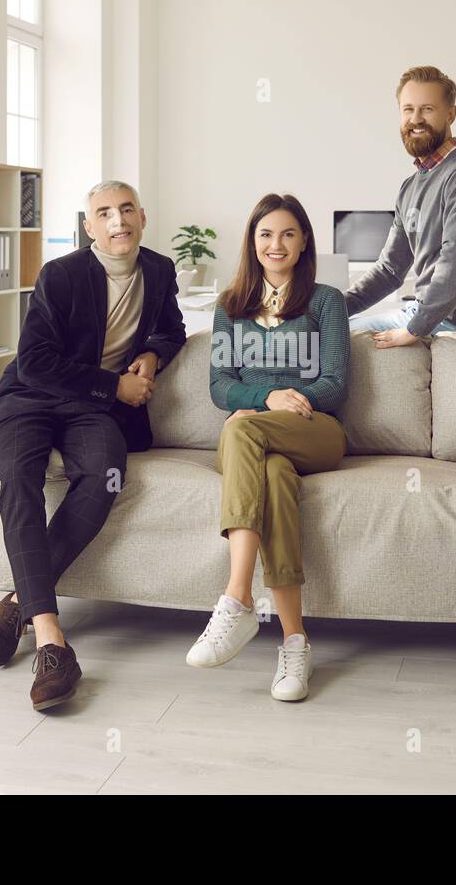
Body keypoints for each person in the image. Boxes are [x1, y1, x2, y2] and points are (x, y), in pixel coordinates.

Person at [0, 180, 187, 710]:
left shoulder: (159, 269)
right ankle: (52, 641)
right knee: (20, 480)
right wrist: (114, 384)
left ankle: (18, 603)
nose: (117, 221)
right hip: (30, 397)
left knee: (104, 475)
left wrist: (153, 357)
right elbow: (35, 361)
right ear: (89, 226)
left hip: (90, 411)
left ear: (143, 215)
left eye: (126, 210)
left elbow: (173, 327)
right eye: (104, 213)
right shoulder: (62, 274)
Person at [187, 193, 350, 702]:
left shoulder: (325, 301)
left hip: (316, 431)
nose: (275, 244)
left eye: (286, 234)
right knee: (275, 477)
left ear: (303, 243)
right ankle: (295, 643)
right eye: (265, 234)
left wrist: (280, 404)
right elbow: (220, 386)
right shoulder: (230, 305)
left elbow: (335, 384)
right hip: (260, 443)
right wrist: (265, 396)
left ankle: (236, 599)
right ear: (252, 242)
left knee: (239, 429)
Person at [345, 64, 456, 348]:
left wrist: (414, 329)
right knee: (326, 329)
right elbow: (389, 270)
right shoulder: (410, 186)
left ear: (451, 114)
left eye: (427, 109)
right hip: (425, 314)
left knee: (329, 340)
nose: (416, 119)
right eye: (408, 109)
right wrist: (329, 311)